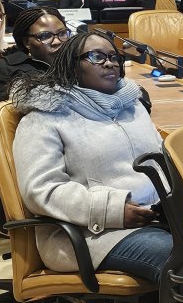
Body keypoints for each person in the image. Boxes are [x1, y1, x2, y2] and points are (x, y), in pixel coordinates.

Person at [10, 31, 170, 287]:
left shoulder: (133, 105)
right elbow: (40, 190)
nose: (109, 63)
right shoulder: (44, 117)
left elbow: (162, 161)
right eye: (96, 57)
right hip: (91, 234)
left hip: (157, 217)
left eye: (113, 57)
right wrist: (112, 210)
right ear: (72, 66)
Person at [0, 7, 68, 159]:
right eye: (45, 36)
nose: (57, 41)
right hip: (20, 158)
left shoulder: (74, 67)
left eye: (62, 33)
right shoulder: (3, 70)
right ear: (26, 42)